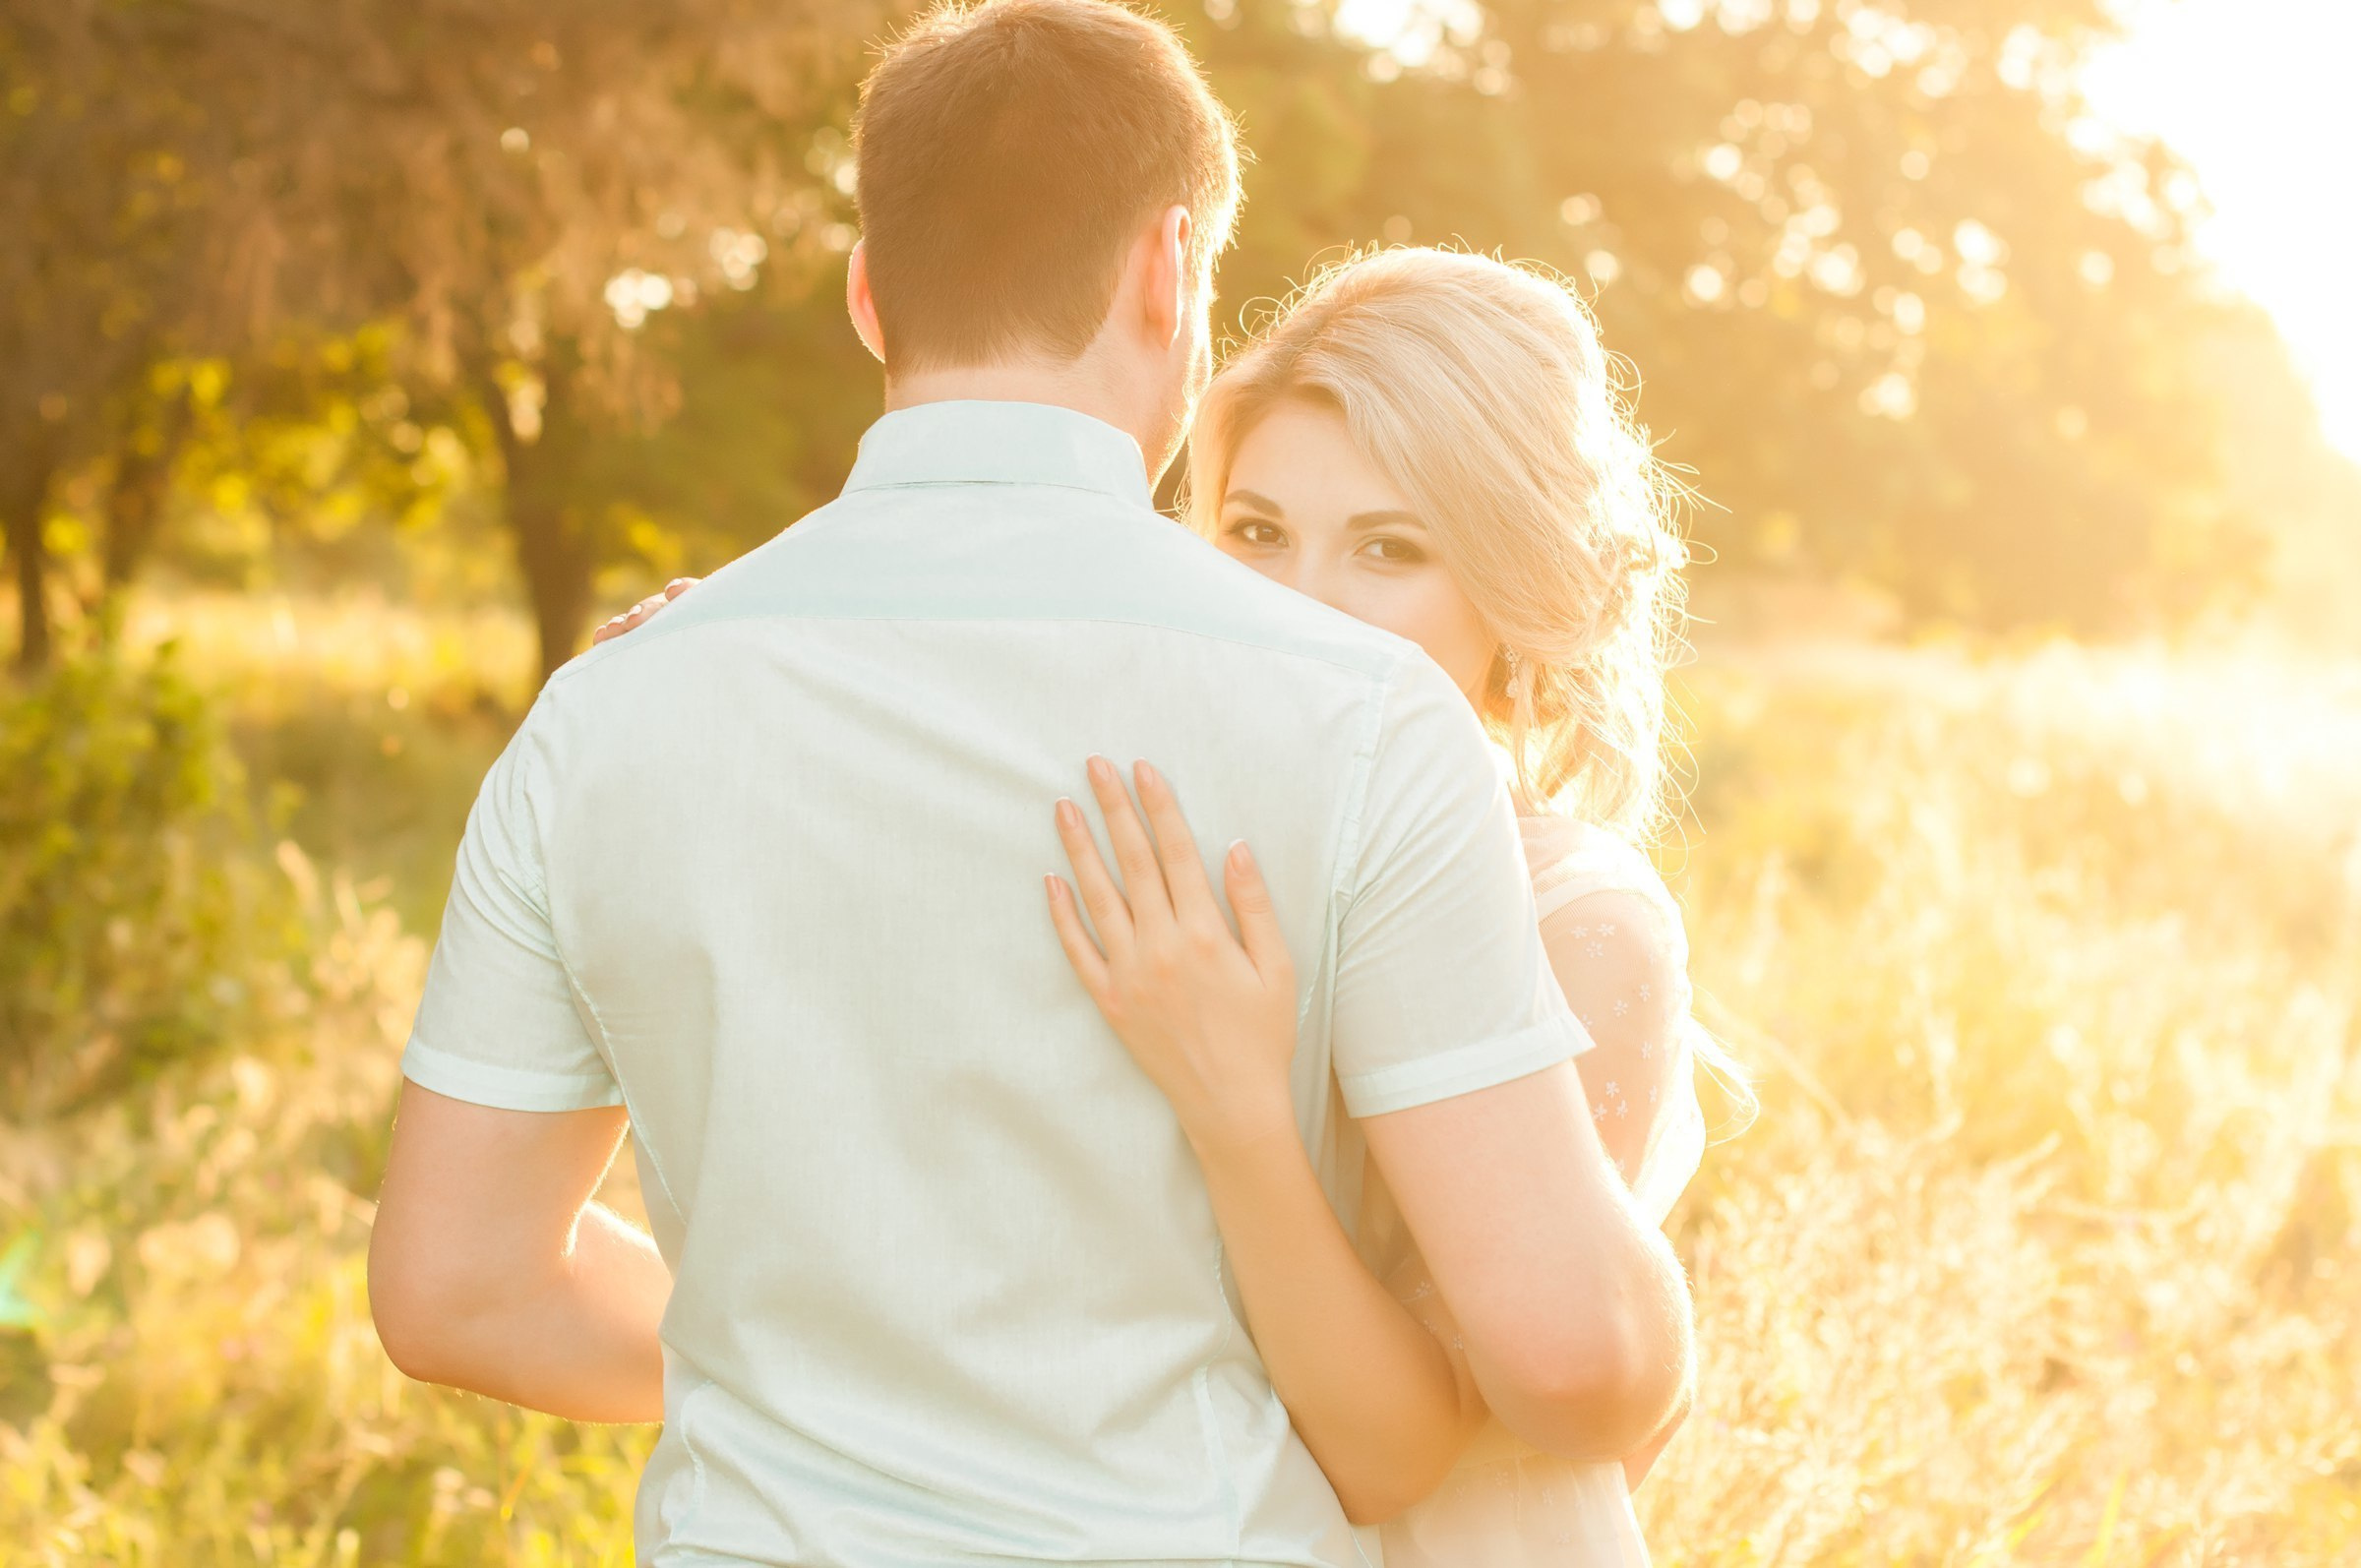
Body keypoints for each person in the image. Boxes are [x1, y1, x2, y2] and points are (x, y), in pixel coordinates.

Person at [369, 2, 1691, 1564]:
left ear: (869, 293)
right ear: (1167, 271)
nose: (1315, 585)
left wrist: (837, 1380)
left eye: (1391, 546)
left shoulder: (606, 713)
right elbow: (1578, 1358)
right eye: (1265, 525)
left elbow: (454, 1287)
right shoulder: (1361, 724)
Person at [1039, 246, 1746, 1565]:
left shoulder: (1576, 925)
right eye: (1256, 533)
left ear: (1512, 594)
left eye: (1389, 547)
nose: (1294, 607)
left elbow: (1384, 1452)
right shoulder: (1162, 837)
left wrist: (1239, 1109)